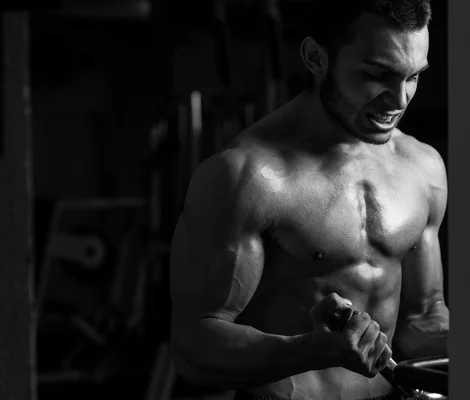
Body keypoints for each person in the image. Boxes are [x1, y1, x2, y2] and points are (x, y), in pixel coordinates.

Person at [169, 0, 449, 399]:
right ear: (317, 58)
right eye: (377, 75)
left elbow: (422, 318)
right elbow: (192, 346)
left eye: (413, 77)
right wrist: (308, 351)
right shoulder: (248, 178)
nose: (399, 99)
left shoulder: (423, 168)